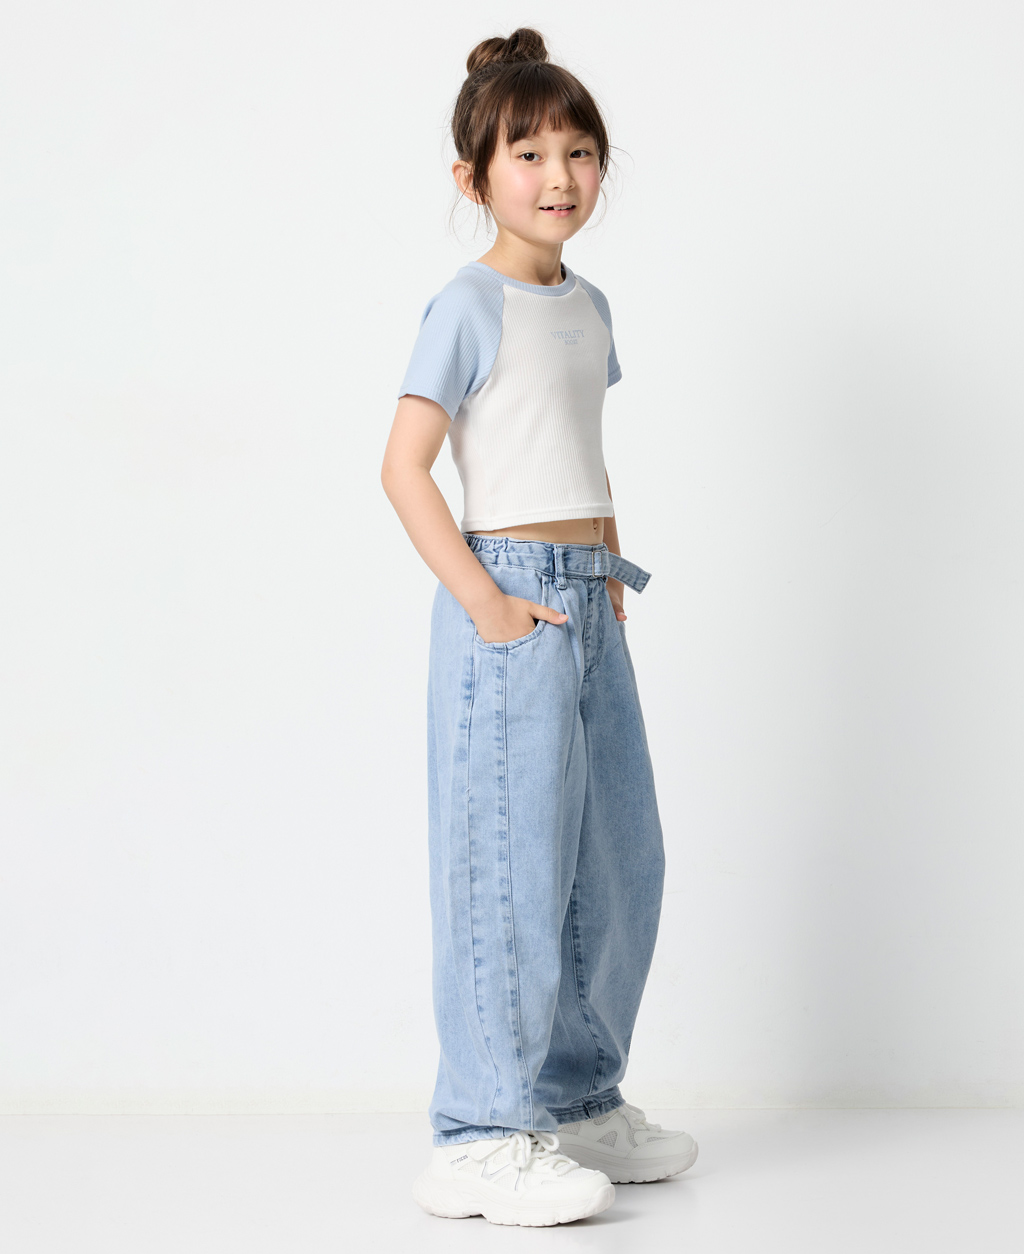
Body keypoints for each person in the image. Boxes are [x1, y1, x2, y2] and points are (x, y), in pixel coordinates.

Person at [381, 27, 697, 1228]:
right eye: (528, 153)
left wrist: (606, 560)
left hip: (586, 593)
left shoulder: (589, 307)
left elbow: (579, 449)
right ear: (473, 177)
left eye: (578, 151)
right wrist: (485, 603)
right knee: (507, 865)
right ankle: (477, 1133)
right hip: (506, 593)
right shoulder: (468, 303)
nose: (558, 176)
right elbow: (404, 466)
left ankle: (572, 1100)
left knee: (616, 856)